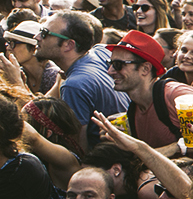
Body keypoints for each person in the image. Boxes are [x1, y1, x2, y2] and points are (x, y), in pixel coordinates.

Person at [106, 29, 193, 155]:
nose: (110, 71)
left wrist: (177, 147)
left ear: (145, 69)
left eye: (118, 65)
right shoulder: (135, 108)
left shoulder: (175, 93)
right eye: (109, 63)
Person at [34, 11, 128, 147]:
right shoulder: (101, 51)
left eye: (44, 33)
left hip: (107, 159)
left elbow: (78, 146)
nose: (37, 37)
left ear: (69, 45)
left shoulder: (74, 85)